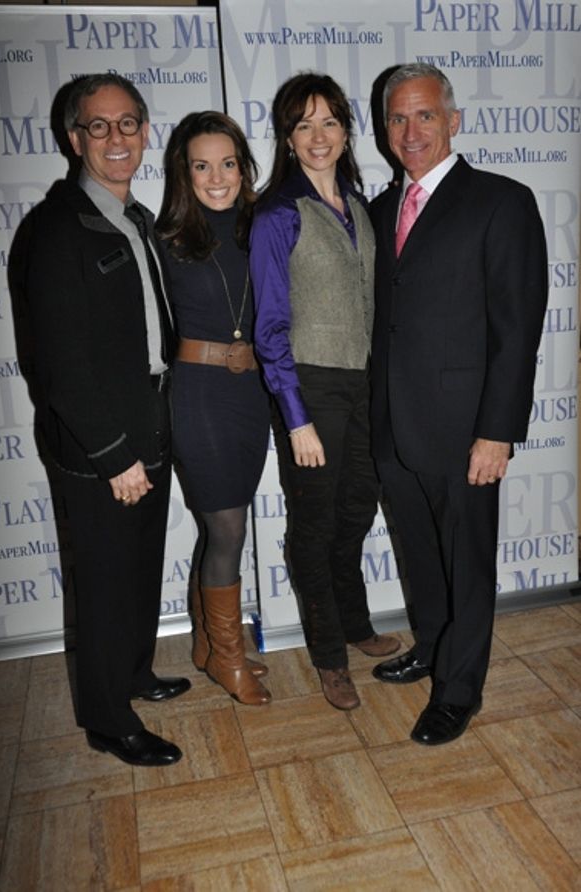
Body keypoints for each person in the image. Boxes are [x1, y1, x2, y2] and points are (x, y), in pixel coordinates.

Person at [370, 63, 548, 745]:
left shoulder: (503, 202)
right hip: (395, 426)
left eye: (424, 115)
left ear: (453, 120)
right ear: (385, 128)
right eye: (397, 118)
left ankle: (458, 689)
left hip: (467, 428)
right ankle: (433, 647)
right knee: (420, 555)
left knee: (467, 563)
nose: (411, 131)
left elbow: (516, 328)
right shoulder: (383, 208)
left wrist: (497, 432)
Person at [22, 74, 190, 766]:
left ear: (146, 132)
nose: (117, 138)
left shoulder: (136, 216)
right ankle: (104, 717)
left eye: (129, 124)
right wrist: (115, 454)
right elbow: (62, 368)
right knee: (101, 582)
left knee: (139, 568)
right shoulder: (56, 231)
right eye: (99, 126)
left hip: (149, 424)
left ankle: (133, 674)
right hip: (102, 448)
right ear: (74, 138)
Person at [250, 72, 400, 712]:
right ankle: (329, 658)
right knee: (313, 527)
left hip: (365, 385)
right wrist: (297, 419)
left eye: (330, 122)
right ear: (288, 136)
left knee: (357, 510)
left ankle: (356, 623)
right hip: (310, 386)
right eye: (304, 124)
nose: (319, 136)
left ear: (345, 131)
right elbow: (269, 328)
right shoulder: (276, 215)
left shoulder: (359, 204)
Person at [157, 111, 271, 706]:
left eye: (227, 163)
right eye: (202, 165)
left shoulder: (264, 227)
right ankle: (227, 658)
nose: (217, 177)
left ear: (243, 166)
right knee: (226, 527)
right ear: (184, 172)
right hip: (199, 395)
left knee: (226, 526)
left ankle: (208, 643)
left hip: (251, 393)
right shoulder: (167, 239)